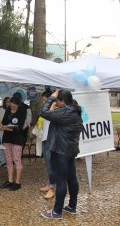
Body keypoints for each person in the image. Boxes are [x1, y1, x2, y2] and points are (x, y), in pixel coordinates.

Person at [40, 89, 83, 220]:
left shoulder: (65, 112)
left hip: (61, 151)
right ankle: (72, 206)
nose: (56, 103)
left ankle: (57, 212)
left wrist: (51, 98)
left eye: (57, 100)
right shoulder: (75, 111)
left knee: (61, 180)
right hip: (70, 150)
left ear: (62, 100)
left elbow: (43, 112)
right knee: (71, 178)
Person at [0, 96, 26, 191]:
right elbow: (3, 122)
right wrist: (2, 125)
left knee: (17, 159)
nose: (12, 107)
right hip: (7, 138)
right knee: (8, 160)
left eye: (14, 106)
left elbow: (20, 127)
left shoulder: (22, 112)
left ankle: (18, 182)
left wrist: (6, 128)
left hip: (17, 139)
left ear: (18, 105)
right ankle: (10, 181)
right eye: (11, 105)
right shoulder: (7, 110)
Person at [39, 90, 56, 199]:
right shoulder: (46, 109)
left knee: (52, 166)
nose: (44, 102)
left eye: (45, 100)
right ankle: (51, 184)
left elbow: (49, 116)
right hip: (45, 139)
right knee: (48, 165)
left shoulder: (55, 109)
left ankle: (53, 188)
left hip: (51, 140)